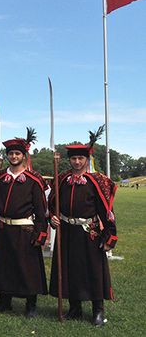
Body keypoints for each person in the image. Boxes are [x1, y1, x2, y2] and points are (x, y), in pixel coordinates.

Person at [49, 132, 117, 326]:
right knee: (69, 268)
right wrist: (52, 216)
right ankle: (75, 307)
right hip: (67, 232)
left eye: (80, 158)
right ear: (69, 160)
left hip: (90, 232)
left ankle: (97, 309)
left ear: (87, 159)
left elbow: (107, 210)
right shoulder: (61, 179)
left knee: (93, 270)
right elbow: (52, 202)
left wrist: (109, 235)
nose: (77, 162)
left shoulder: (98, 180)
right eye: (73, 158)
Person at [0, 132, 48, 317]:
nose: (13, 157)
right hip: (4, 229)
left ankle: (31, 305)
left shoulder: (34, 180)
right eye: (10, 154)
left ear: (23, 156)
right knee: (3, 266)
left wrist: (40, 233)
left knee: (27, 268)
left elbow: (41, 210)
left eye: (17, 154)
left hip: (25, 230)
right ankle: (5, 302)